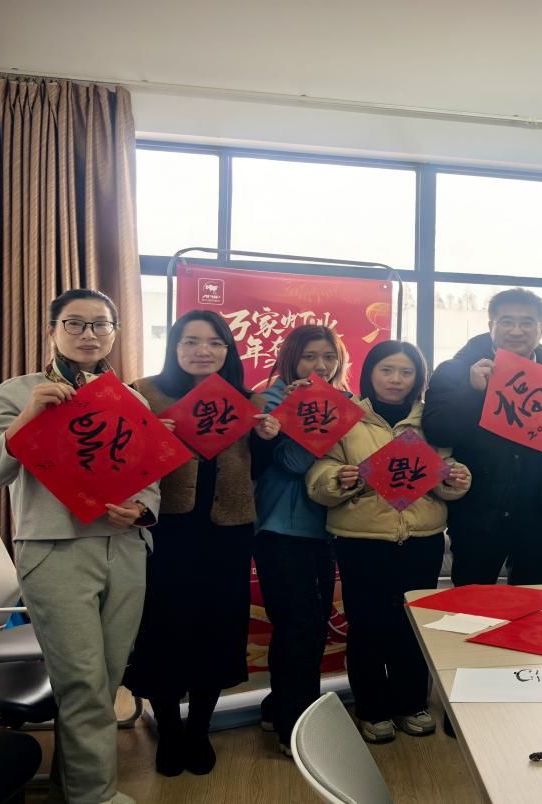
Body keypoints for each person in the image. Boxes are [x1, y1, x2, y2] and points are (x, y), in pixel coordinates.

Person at [0, 289, 158, 804]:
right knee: (83, 685)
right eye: (75, 323)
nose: (88, 334)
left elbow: (150, 477)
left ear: (114, 332)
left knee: (106, 680)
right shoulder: (18, 393)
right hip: (56, 551)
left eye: (100, 324)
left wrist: (143, 510)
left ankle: (70, 789)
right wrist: (27, 417)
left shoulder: (130, 400)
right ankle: (94, 795)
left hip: (125, 548)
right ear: (52, 330)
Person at [125, 310, 281, 777]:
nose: (202, 351)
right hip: (167, 528)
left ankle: (199, 728)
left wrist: (267, 440)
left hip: (227, 530)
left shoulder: (246, 401)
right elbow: (122, 461)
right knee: (165, 627)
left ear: (227, 351)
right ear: (174, 346)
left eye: (215, 343)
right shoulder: (143, 393)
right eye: (190, 341)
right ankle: (169, 728)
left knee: (218, 627)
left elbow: (257, 470)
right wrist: (149, 437)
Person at [307, 341, 471, 742]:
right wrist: (337, 478)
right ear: (370, 373)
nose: (396, 379)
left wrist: (457, 478)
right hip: (362, 539)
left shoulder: (431, 420)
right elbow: (319, 471)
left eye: (406, 372)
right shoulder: (346, 417)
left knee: (411, 626)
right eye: (386, 370)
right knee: (367, 626)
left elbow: (446, 468)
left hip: (422, 538)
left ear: (418, 378)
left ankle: (412, 703)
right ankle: (371, 708)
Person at [422, 288, 542, 586]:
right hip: (477, 509)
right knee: (472, 599)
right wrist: (473, 391)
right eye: (507, 321)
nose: (516, 331)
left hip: (540, 509)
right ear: (491, 325)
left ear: (540, 328)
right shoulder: (456, 369)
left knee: (536, 598)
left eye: (527, 323)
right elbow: (436, 430)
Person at [251, 325, 349, 756]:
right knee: (298, 627)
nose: (320, 365)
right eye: (310, 356)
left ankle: (280, 708)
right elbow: (292, 461)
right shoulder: (271, 400)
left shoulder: (344, 402)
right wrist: (310, 411)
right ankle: (297, 727)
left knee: (307, 627)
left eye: (328, 356)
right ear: (291, 359)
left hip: (326, 528)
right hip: (282, 529)